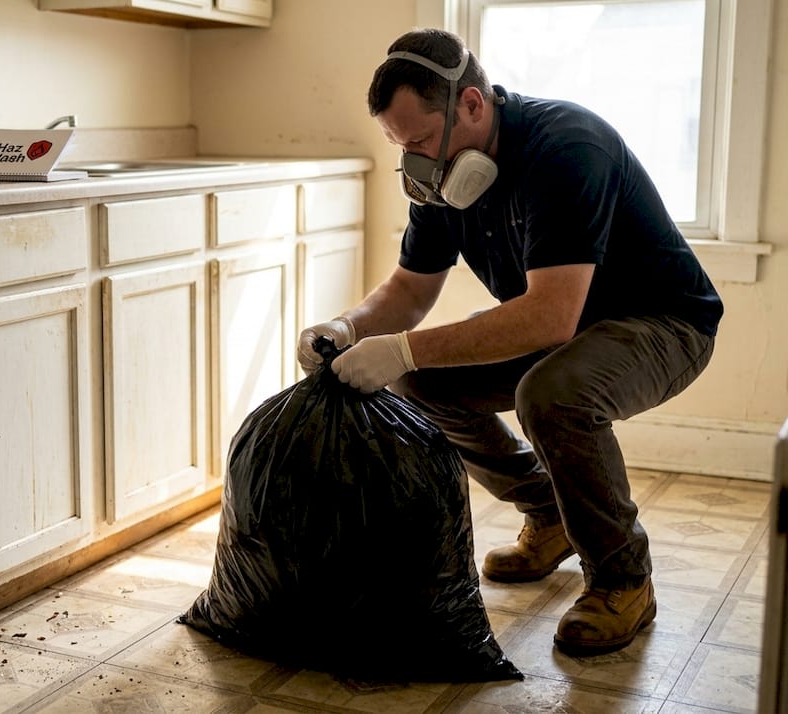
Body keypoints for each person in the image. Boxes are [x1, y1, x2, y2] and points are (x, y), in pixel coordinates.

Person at [296, 28, 722, 656]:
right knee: (422, 382)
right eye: (398, 145)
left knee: (552, 394)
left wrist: (403, 347)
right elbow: (409, 293)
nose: (413, 160)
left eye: (417, 140)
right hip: (570, 327)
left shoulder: (567, 147)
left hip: (663, 322)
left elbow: (550, 316)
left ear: (472, 103)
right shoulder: (442, 178)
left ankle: (623, 579)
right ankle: (549, 515)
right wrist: (347, 327)